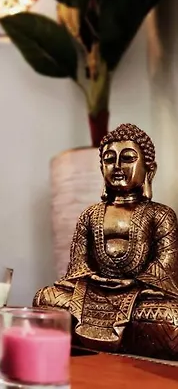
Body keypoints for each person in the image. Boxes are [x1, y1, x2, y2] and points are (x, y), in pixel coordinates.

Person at [34, 123, 178, 358]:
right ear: (102, 168)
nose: (117, 166)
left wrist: (134, 284)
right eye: (109, 159)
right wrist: (93, 278)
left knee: (171, 318)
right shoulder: (91, 214)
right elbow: (78, 264)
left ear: (149, 169)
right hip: (93, 290)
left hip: (140, 295)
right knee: (45, 298)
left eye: (128, 158)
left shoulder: (160, 215)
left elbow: (165, 264)